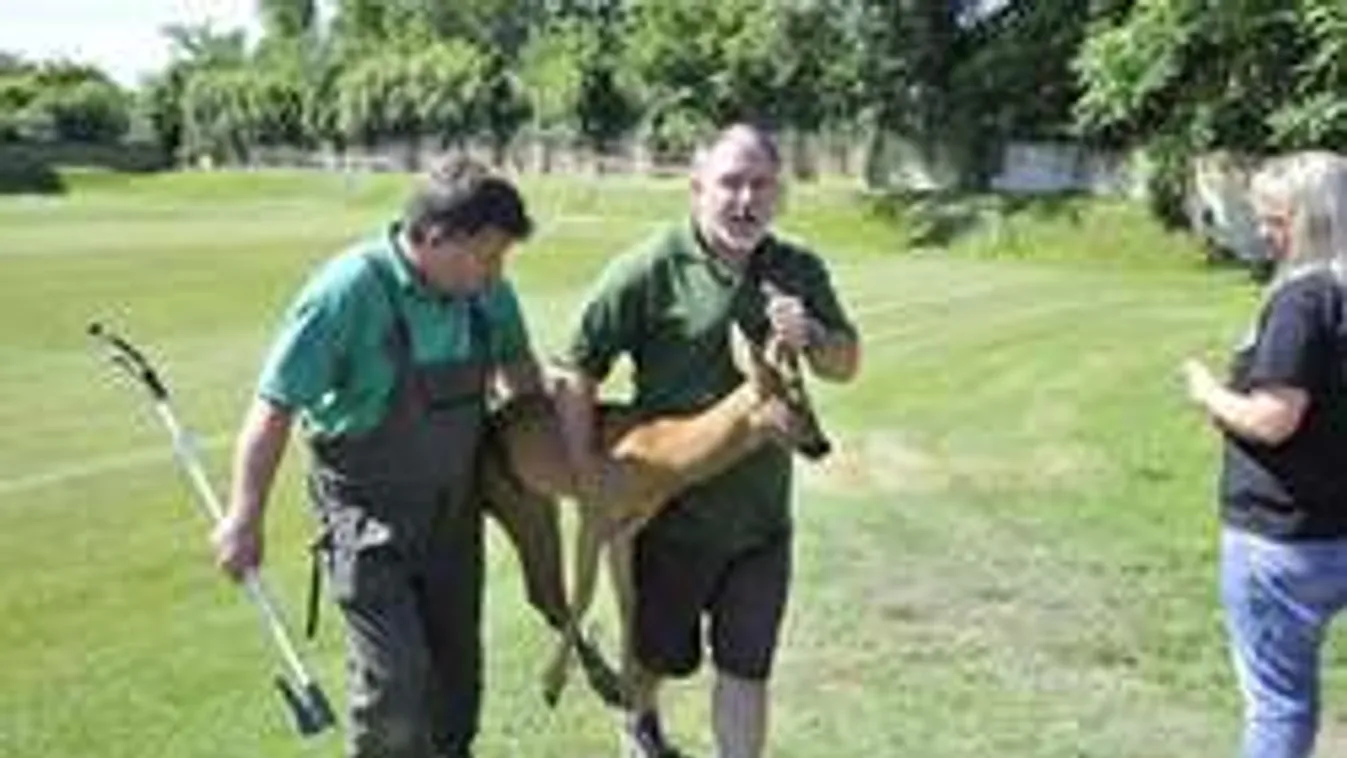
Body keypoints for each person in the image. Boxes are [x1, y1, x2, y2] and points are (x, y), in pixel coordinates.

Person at [212, 156, 540, 758]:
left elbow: (523, 379)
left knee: (457, 684)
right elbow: (275, 406)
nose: (496, 273)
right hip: (366, 521)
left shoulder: (485, 294)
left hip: (454, 519)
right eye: (488, 256)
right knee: (394, 685)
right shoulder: (348, 292)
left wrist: (541, 458)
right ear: (438, 239)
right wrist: (243, 515)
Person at [552, 123, 861, 758]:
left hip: (761, 520)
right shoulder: (648, 270)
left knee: (747, 668)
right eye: (730, 184)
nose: (746, 200)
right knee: (657, 658)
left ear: (778, 194)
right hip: (669, 520)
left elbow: (846, 363)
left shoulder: (795, 269)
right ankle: (639, 728)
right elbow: (575, 368)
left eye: (761, 185)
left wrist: (814, 338)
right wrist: (587, 474)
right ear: (697, 188)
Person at [1183, 150, 1347, 758]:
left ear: (1312, 219)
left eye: (1276, 219)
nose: (1266, 233)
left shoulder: (1303, 302)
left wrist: (1208, 393)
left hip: (1282, 540)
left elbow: (1274, 420)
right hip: (1337, 530)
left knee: (1278, 706)